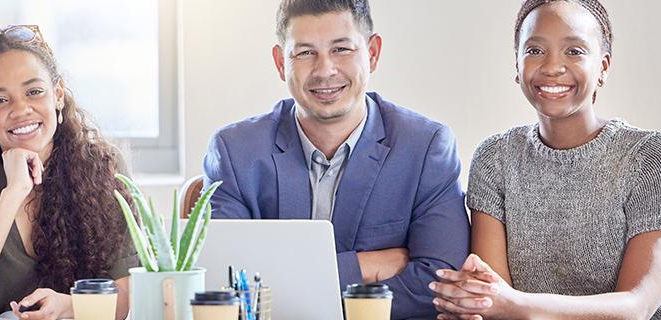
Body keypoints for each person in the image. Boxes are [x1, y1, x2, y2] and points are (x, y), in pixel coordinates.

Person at [201, 0, 470, 317]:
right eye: (305, 53)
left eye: (341, 49)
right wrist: (363, 267)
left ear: (372, 54)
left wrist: (291, 283)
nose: (325, 69)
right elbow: (225, 283)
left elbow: (440, 285)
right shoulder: (235, 152)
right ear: (279, 62)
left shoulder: (425, 148)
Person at [431, 1, 661, 319]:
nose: (551, 66)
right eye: (534, 50)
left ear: (603, 66)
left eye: (574, 51)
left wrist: (515, 305)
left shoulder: (650, 156)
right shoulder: (495, 158)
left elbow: (636, 307)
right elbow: (494, 300)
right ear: (517, 65)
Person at [0, 25, 138, 319]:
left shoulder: (103, 166)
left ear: (57, 95)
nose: (21, 110)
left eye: (34, 92)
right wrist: (13, 194)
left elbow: (126, 298)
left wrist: (70, 306)